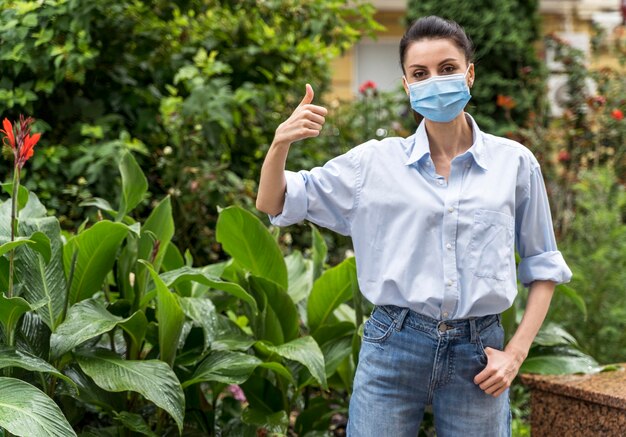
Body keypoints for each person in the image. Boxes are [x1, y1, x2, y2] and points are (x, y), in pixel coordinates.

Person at [256, 15, 572, 437]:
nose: (434, 81)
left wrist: (515, 353)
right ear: (406, 85)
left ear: (469, 74)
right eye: (420, 73)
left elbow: (543, 264)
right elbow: (274, 201)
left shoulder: (514, 163)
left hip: (479, 354)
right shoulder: (372, 163)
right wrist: (280, 145)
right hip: (393, 345)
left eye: (447, 69)